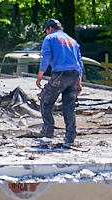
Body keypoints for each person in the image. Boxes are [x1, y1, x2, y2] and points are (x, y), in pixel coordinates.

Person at [35, 18, 83, 147]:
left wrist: (39, 77)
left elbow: (46, 57)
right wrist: (79, 82)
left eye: (46, 30)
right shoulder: (72, 41)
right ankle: (70, 137)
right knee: (69, 107)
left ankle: (48, 131)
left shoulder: (50, 38)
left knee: (45, 99)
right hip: (74, 75)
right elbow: (79, 61)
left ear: (50, 29)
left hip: (60, 74)